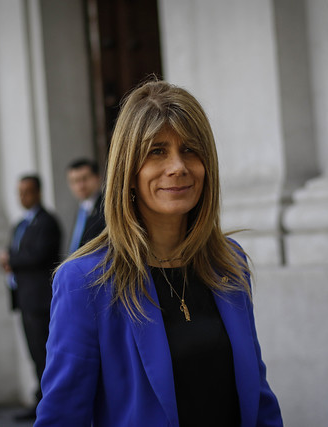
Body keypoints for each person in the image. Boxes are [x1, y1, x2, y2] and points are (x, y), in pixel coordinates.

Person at [35, 81, 283, 426]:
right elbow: (62, 416)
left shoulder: (228, 263)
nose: (178, 166)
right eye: (157, 151)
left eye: (191, 149)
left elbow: (257, 396)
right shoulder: (85, 282)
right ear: (128, 171)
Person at [0, 175, 62, 422]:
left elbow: (39, 256)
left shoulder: (47, 222)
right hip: (24, 299)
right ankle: (41, 400)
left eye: (28, 191)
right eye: (20, 192)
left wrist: (9, 260)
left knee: (45, 354)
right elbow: (15, 252)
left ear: (39, 193)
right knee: (34, 353)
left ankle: (50, 404)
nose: (23, 197)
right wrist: (7, 260)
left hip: (40, 301)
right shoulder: (20, 224)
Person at [66, 158, 105, 253]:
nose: (80, 186)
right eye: (75, 181)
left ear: (97, 178)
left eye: (85, 179)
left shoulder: (106, 208)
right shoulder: (81, 210)